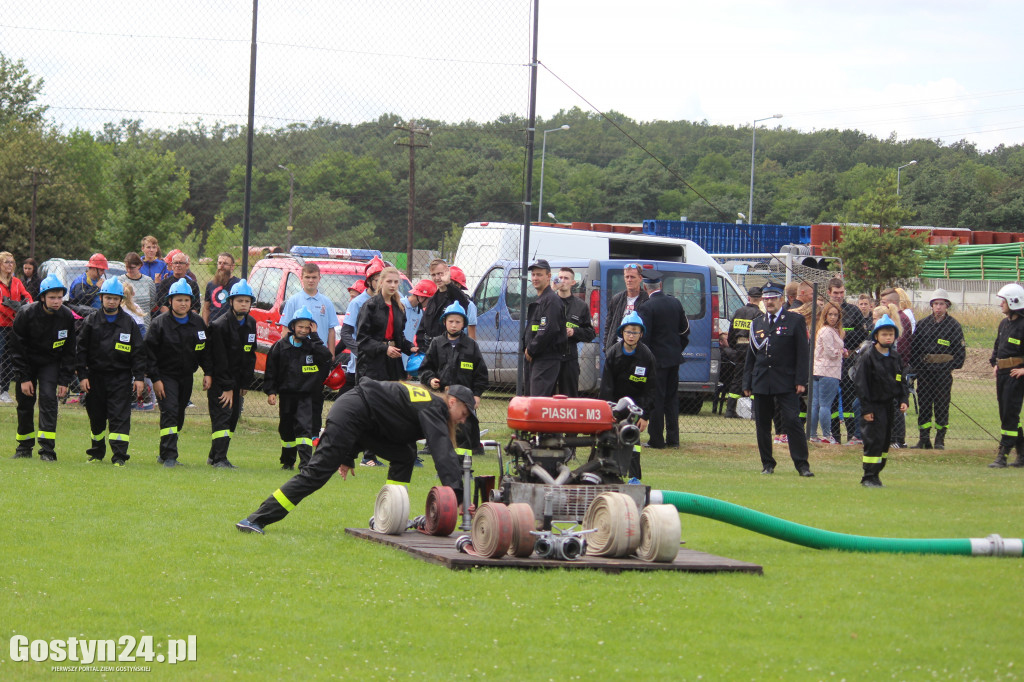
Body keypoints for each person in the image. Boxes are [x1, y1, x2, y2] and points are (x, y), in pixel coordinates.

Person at [236, 380, 477, 535]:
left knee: (405, 454)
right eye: (464, 414)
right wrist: (458, 495)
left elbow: (385, 422)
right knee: (316, 473)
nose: (463, 420)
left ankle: (391, 515)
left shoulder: (430, 404)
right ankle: (256, 519)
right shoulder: (435, 406)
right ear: (452, 402)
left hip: (363, 419)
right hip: (353, 412)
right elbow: (441, 449)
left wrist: (349, 455)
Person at [742, 283, 813, 477]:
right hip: (762, 380)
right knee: (762, 424)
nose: (769, 302)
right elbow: (752, 356)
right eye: (766, 299)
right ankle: (767, 464)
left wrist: (801, 380)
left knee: (792, 421)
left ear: (781, 299)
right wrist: (747, 382)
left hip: (786, 381)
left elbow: (802, 353)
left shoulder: (794, 320)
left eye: (773, 298)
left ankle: (802, 465)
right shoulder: (757, 323)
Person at [76, 278, 145, 466]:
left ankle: (119, 457)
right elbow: (80, 350)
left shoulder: (129, 323)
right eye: (108, 298)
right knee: (96, 417)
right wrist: (82, 376)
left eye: (115, 298)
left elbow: (138, 352)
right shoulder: (91, 321)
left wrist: (139, 377)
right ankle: (97, 453)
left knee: (120, 417)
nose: (111, 301)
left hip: (120, 378)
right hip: (95, 378)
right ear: (101, 298)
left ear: (121, 300)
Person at [145, 279, 212, 467]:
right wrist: (155, 379)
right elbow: (149, 354)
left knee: (179, 413)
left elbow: (204, 350)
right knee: (170, 412)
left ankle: (163, 452)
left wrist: (208, 372)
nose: (183, 303)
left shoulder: (198, 323)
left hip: (186, 376)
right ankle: (170, 457)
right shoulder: (159, 324)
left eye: (186, 300)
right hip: (165, 376)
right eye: (179, 300)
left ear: (191, 302)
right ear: (170, 301)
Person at [9, 274, 76, 460]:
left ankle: (47, 450)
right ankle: (24, 447)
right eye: (52, 297)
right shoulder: (26, 314)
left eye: (60, 297)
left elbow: (70, 351)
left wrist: (64, 380)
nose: (56, 301)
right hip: (27, 364)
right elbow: (17, 348)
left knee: (48, 400)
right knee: (25, 403)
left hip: (50, 363)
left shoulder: (66, 316)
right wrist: (23, 378)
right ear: (42, 298)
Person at [264, 306, 332, 471]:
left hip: (306, 396)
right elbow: (271, 370)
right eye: (300, 326)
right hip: (287, 396)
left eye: (307, 327)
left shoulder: (313, 346)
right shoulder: (280, 346)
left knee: (304, 428)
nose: (303, 330)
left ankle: (305, 464)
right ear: (292, 327)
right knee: (286, 428)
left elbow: (326, 357)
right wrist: (271, 391)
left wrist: (315, 337)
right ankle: (287, 462)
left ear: (311, 328)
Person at [206, 279, 257, 469]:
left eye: (247, 301)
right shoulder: (219, 325)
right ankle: (220, 459)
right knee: (223, 417)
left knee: (233, 418)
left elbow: (250, 354)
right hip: (222, 381)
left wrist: (245, 383)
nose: (243, 304)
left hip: (237, 382)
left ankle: (214, 456)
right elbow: (219, 359)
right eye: (239, 301)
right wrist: (226, 387)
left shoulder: (251, 323)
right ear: (231, 302)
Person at [599, 311, 656, 480]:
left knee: (633, 443)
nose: (631, 336)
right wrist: (607, 412)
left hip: (636, 408)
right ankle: (599, 474)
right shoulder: (612, 354)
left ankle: (634, 479)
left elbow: (651, 389)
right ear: (622, 333)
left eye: (635, 332)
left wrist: (645, 415)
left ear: (641, 334)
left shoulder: (647, 357)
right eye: (628, 332)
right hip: (614, 405)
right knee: (605, 440)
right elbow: (606, 387)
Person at [637, 271, 690, 449]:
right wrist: (676, 349)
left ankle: (657, 439)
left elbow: (645, 338)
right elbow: (684, 331)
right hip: (674, 359)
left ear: (645, 287)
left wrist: (646, 359)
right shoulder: (675, 302)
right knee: (671, 399)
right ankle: (674, 439)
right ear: (660, 286)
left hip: (656, 361)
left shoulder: (646, 307)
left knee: (657, 399)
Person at [854, 315, 909, 487]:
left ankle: (877, 473)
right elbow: (861, 385)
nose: (888, 337)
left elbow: (901, 380)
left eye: (891, 334)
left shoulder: (895, 357)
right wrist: (866, 409)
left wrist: (903, 399)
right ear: (876, 336)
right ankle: (868, 476)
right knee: (873, 440)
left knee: (885, 440)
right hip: (873, 407)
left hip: (889, 406)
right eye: (884, 334)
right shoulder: (868, 357)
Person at [909, 288, 965, 450]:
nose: (938, 307)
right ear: (931, 306)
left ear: (947, 305)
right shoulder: (923, 324)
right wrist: (919, 369)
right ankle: (924, 438)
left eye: (941, 304)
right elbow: (915, 349)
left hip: (943, 374)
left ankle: (940, 439)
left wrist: (947, 367)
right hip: (925, 373)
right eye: (935, 304)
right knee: (925, 404)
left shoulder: (953, 326)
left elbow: (959, 352)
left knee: (942, 405)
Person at [356, 266, 417, 384]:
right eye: (389, 281)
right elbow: (362, 339)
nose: (393, 285)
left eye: (395, 282)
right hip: (373, 363)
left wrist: (410, 347)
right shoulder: (370, 306)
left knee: (393, 397)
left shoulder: (399, 308)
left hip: (393, 362)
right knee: (374, 397)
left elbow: (399, 336)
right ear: (381, 282)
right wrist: (385, 348)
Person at [420, 301, 487, 405]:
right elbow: (425, 368)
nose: (454, 325)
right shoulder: (436, 343)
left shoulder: (471, 345)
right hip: (441, 396)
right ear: (444, 322)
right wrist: (430, 380)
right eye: (450, 321)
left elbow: (481, 374)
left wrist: (476, 394)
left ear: (464, 324)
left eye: (458, 322)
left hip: (465, 399)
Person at [828, 278, 869, 446]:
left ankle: (853, 434)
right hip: (830, 361)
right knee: (830, 399)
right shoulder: (825, 311)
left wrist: (845, 338)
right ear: (829, 293)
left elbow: (862, 334)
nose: (839, 296)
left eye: (841, 292)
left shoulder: (853, 311)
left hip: (849, 360)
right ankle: (834, 436)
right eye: (835, 293)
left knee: (849, 398)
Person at [988, 283, 1024, 468]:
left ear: (1013, 301)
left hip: (1015, 376)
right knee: (1006, 414)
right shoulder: (1004, 323)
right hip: (1002, 374)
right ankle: (1022, 455)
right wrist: (995, 363)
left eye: (1003, 300)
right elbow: (997, 346)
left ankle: (1003, 455)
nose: (1001, 304)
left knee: (1010, 414)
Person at [523, 259, 566, 397]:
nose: (535, 278)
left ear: (548, 276)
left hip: (546, 359)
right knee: (533, 400)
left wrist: (531, 349)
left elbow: (549, 329)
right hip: (537, 359)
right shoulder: (542, 300)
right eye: (533, 274)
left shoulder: (551, 301)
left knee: (537, 402)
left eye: (539, 274)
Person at [554, 267, 596, 397]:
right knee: (546, 398)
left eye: (566, 278)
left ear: (573, 282)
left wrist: (574, 332)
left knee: (570, 397)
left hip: (569, 358)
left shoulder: (581, 306)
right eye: (560, 278)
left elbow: (590, 333)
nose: (562, 281)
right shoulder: (549, 301)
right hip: (550, 358)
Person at [722, 287, 763, 418]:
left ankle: (730, 410)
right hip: (753, 350)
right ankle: (755, 412)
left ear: (748, 297)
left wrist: (735, 346)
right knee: (754, 379)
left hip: (739, 349)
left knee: (737, 379)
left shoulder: (738, 312)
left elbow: (731, 333)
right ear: (761, 299)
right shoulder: (760, 315)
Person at [880, 288, 913, 448]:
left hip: (898, 368)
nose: (882, 305)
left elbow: (903, 348)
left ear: (892, 304)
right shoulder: (892, 319)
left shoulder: (901, 319)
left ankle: (898, 439)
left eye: (884, 303)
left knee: (897, 402)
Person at [809, 302, 845, 444]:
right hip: (828, 370)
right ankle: (826, 435)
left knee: (816, 404)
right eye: (830, 314)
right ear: (825, 315)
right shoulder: (826, 331)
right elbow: (830, 352)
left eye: (835, 315)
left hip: (818, 369)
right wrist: (841, 351)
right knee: (824, 405)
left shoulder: (824, 330)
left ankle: (812, 434)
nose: (833, 317)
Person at [417, 259, 471, 351]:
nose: (437, 278)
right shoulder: (432, 300)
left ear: (447, 273)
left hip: (449, 349)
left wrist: (448, 283)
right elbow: (423, 326)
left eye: (440, 273)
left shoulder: (455, 296)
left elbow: (464, 301)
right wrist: (421, 347)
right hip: (430, 349)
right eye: (433, 275)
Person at [1, 251, 33, 403]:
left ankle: (4, 390)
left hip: (13, 326)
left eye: (12, 262)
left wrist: (28, 306)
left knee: (9, 358)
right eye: (6, 262)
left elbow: (26, 296)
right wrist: (16, 315)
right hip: (1, 324)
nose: (10, 265)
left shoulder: (16, 282)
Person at [603, 263, 648, 350]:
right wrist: (606, 348)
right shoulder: (617, 299)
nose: (629, 280)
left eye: (632, 277)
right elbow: (608, 325)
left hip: (638, 348)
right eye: (627, 277)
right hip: (618, 347)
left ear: (640, 278)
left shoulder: (646, 300)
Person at [400, 279, 437, 373]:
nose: (430, 303)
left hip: (407, 355)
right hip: (395, 354)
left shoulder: (419, 312)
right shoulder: (400, 306)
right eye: (430, 299)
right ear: (421, 297)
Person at [119, 252, 157, 329]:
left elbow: (153, 303)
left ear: (139, 266)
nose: (129, 270)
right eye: (127, 267)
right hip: (124, 325)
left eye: (132, 267)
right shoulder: (120, 280)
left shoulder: (148, 281)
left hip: (144, 324)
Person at [203, 252, 240, 324]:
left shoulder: (238, 284)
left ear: (232, 267)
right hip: (213, 326)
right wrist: (205, 327)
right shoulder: (210, 284)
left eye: (225, 263)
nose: (221, 266)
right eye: (220, 263)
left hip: (231, 326)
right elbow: (206, 308)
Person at [447, 265, 477, 340]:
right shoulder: (441, 301)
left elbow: (471, 336)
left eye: (451, 284)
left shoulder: (469, 305)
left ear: (459, 285)